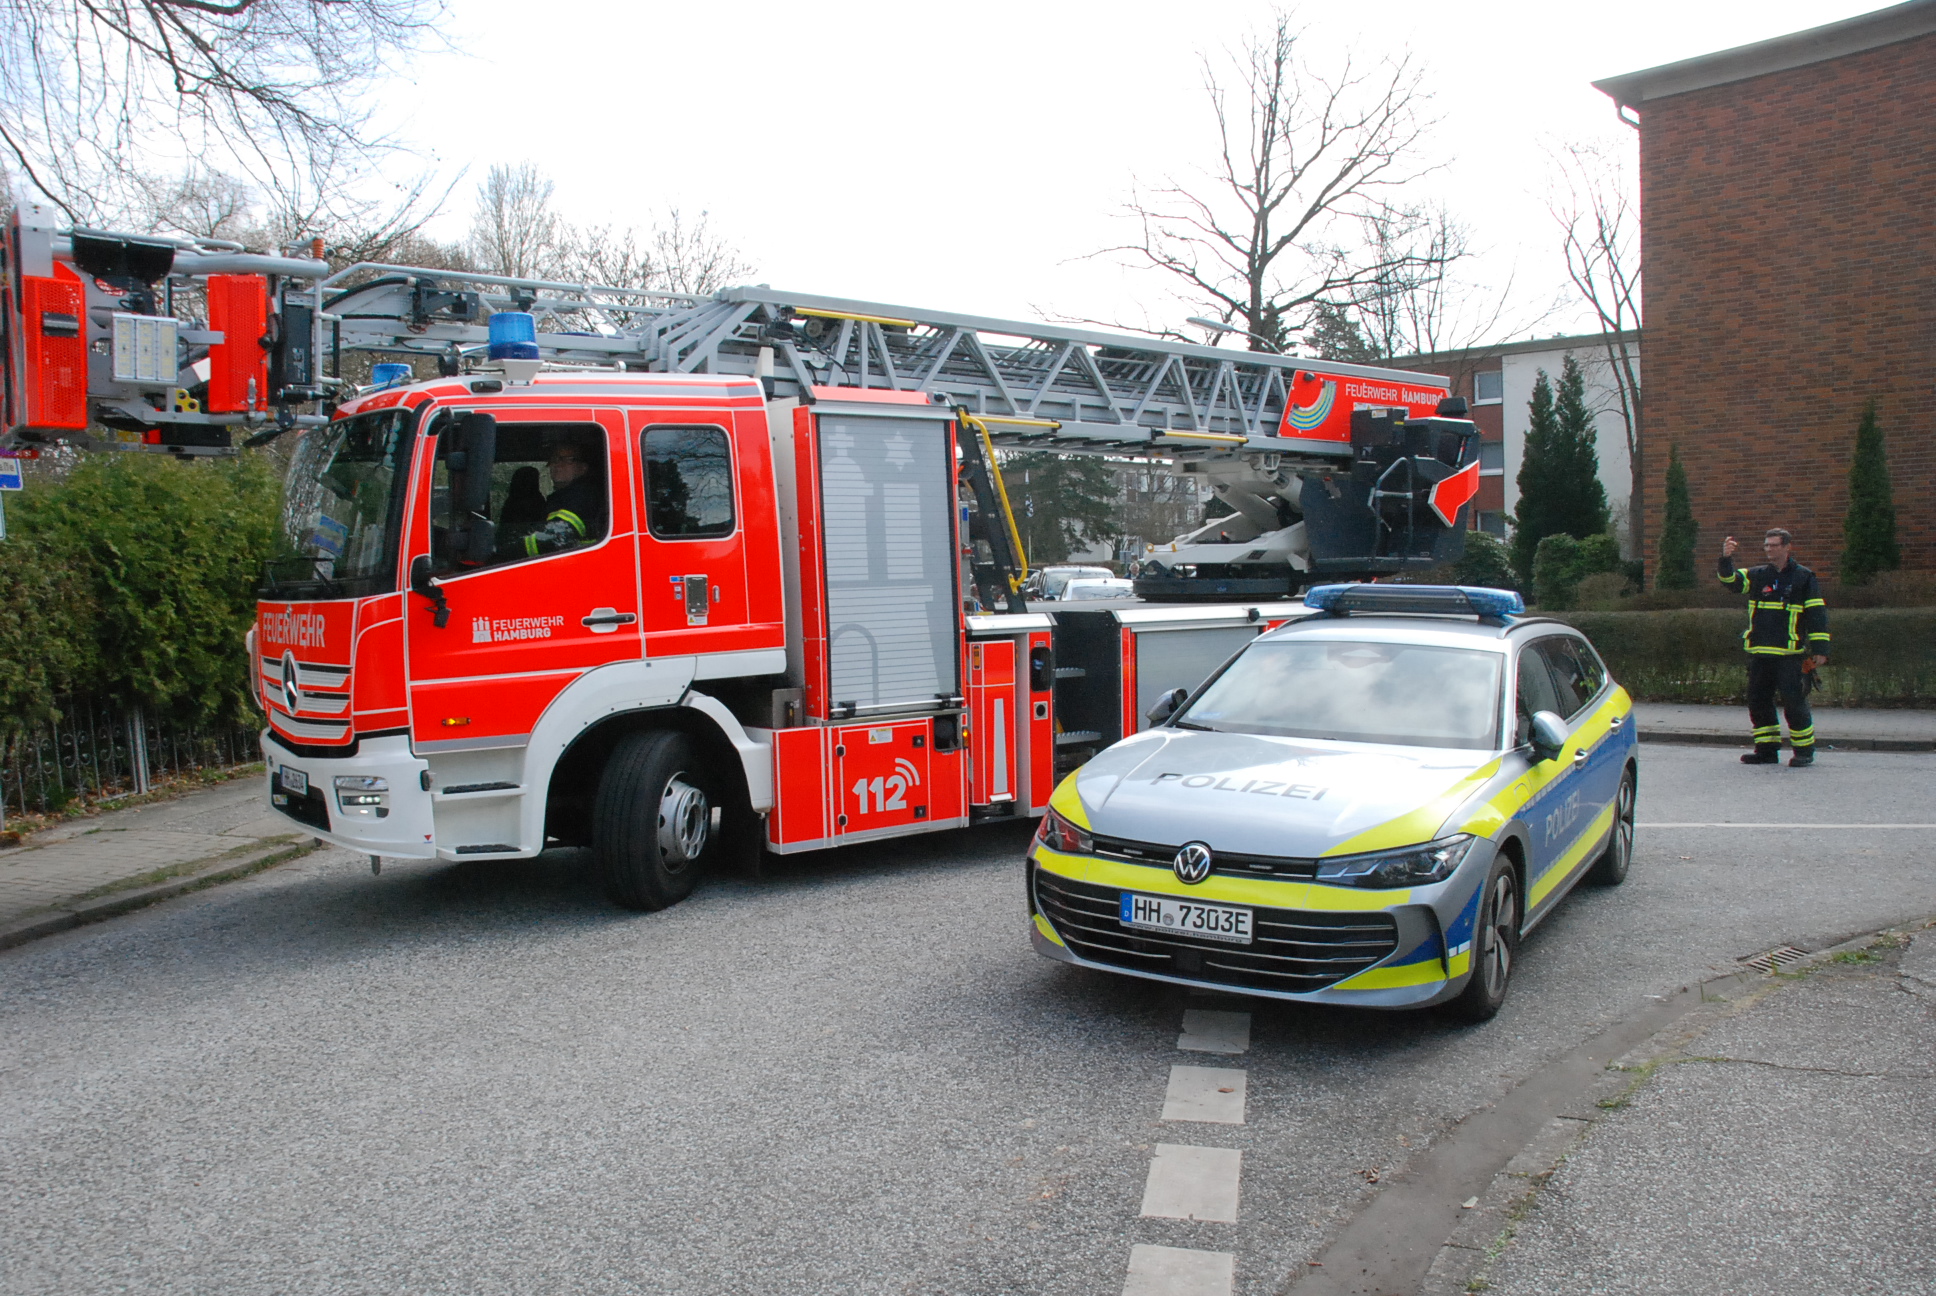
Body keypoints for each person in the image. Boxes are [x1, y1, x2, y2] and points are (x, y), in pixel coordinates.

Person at [1717, 528, 1829, 766]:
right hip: (1760, 653)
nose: (1769, 549)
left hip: (1790, 655)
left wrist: (1820, 648)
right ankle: (1766, 750)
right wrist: (1726, 559)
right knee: (1758, 702)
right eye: (1766, 545)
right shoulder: (1757, 575)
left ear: (1787, 547)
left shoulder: (1804, 577)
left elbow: (1817, 614)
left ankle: (1804, 751)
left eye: (1774, 545)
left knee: (1794, 703)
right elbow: (1731, 582)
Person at [521, 435, 607, 558]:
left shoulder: (581, 496)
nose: (558, 464)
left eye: (568, 459)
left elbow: (554, 537)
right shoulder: (562, 497)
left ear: (583, 468)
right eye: (554, 459)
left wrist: (506, 549)